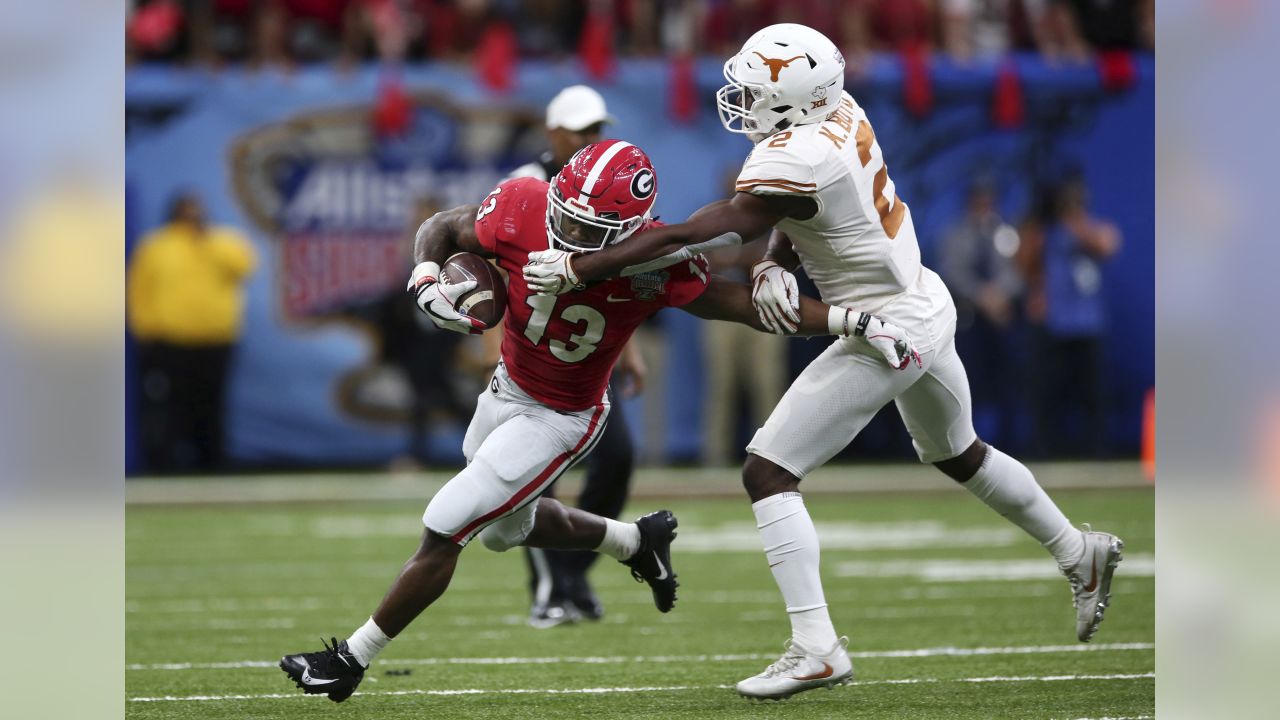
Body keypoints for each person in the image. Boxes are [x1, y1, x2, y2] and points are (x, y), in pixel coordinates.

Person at [523, 23, 1125, 700]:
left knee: (768, 469)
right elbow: (801, 210)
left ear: (792, 98)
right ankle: (1080, 552)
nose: (741, 101)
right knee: (960, 454)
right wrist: (780, 259)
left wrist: (583, 265)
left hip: (887, 325)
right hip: (922, 297)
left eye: (753, 91)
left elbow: (711, 231)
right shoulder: (837, 109)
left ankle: (816, 647)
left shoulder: (800, 153)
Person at [279, 139, 896, 703]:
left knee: (450, 523)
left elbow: (745, 306)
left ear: (631, 229)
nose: (568, 231)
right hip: (503, 390)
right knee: (502, 529)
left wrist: (849, 321)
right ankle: (635, 541)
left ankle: (348, 661)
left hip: (562, 415)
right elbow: (442, 228)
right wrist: (424, 280)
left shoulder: (655, 263)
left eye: (588, 227)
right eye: (566, 213)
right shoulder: (523, 204)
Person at [505, 84, 644, 628]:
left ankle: (575, 574)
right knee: (533, 473)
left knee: (618, 457)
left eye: (597, 130)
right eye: (582, 131)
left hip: (587, 351)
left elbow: (612, 282)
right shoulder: (526, 186)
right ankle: (549, 589)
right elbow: (495, 264)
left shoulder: (607, 192)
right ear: (554, 133)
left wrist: (625, 346)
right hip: (533, 349)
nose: (592, 140)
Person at [127, 191, 257, 472]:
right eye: (187, 210)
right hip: (170, 340)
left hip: (215, 338)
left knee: (211, 405)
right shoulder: (157, 245)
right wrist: (144, 331)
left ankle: (212, 464)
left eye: (197, 210)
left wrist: (207, 240)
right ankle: (165, 466)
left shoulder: (221, 241)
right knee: (169, 407)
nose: (193, 216)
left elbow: (244, 267)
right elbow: (139, 290)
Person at [1020, 172, 1121, 457]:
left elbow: (1107, 245)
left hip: (1087, 322)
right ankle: (1044, 450)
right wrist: (1038, 222)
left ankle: (1097, 449)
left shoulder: (1090, 226)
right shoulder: (1044, 231)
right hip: (1054, 321)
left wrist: (1072, 218)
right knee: (1047, 393)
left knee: (1092, 392)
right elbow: (1024, 264)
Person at [938, 176, 1023, 448]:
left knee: (1007, 380)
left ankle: (1010, 441)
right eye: (979, 198)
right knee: (967, 380)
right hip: (969, 317)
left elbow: (1017, 271)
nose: (984, 204)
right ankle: (963, 443)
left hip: (1001, 318)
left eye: (988, 198)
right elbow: (952, 272)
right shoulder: (956, 233)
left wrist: (1000, 295)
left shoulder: (1005, 233)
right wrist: (982, 296)